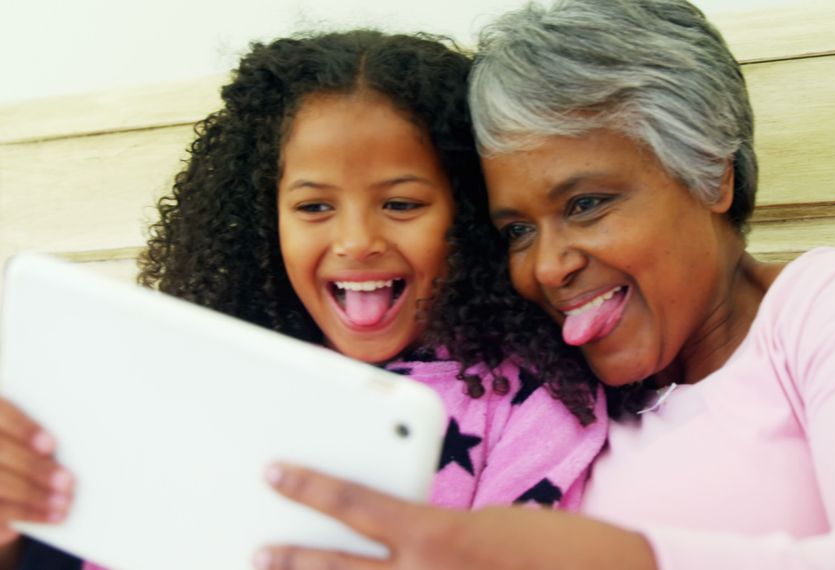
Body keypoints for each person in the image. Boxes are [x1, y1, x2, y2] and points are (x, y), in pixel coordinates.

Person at [253, 1, 835, 569]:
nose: (548, 264)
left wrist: (625, 559)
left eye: (586, 204)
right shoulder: (549, 397)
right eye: (517, 230)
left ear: (711, 175)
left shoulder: (830, 304)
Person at [0, 29, 607, 568]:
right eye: (314, 207)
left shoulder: (536, 402)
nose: (356, 242)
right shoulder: (199, 369)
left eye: (401, 204)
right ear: (269, 223)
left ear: (467, 214)